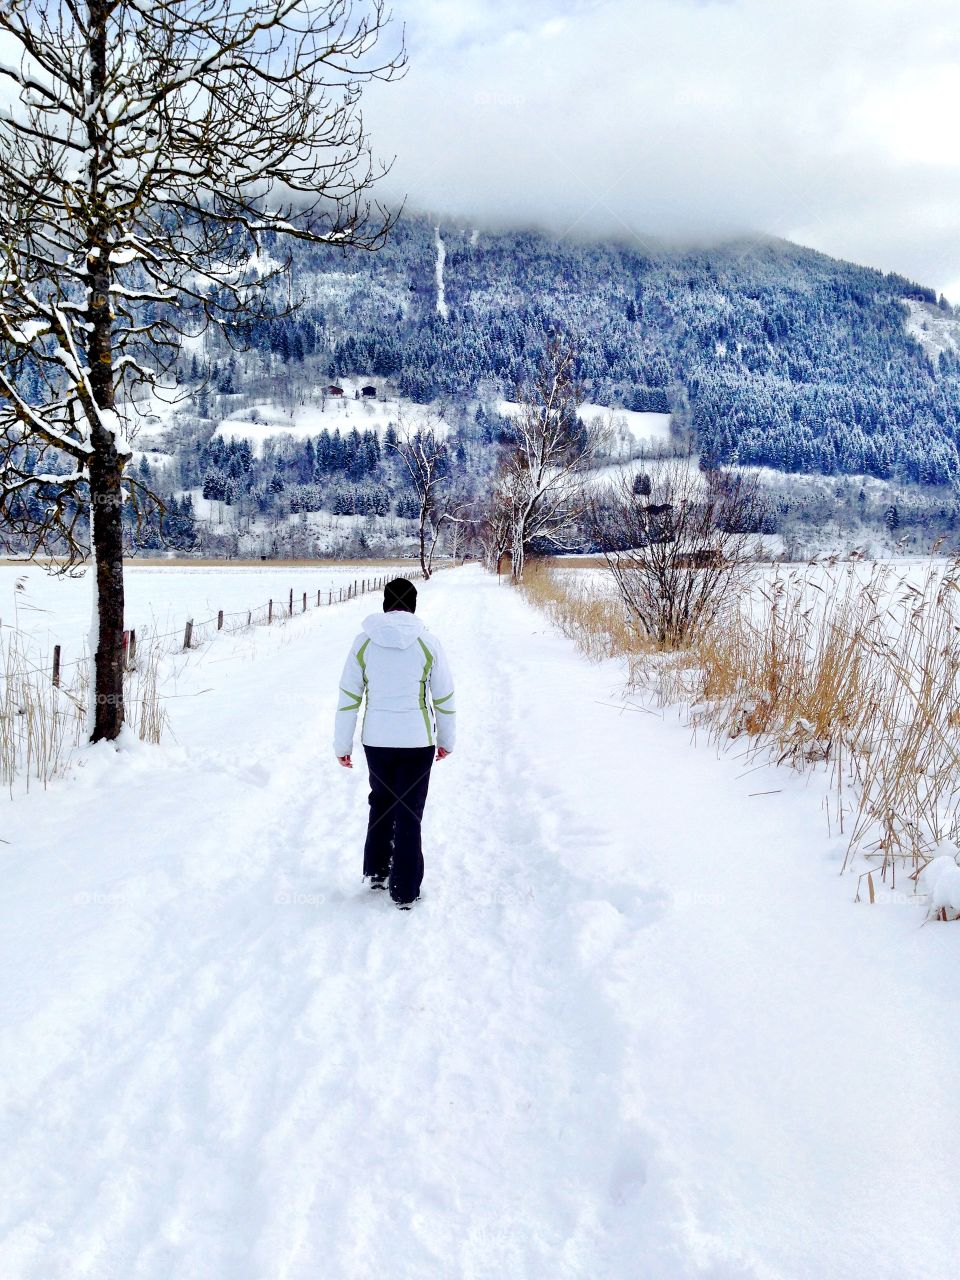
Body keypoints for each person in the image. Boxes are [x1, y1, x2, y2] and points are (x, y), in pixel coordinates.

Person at [334, 577, 456, 909]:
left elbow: (348, 698)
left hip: (377, 741)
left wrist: (342, 745)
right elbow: (444, 697)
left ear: (385, 604)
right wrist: (447, 739)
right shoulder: (429, 643)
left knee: (382, 801)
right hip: (418, 742)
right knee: (410, 811)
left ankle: (376, 871)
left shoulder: (363, 643)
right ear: (413, 606)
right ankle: (405, 890)